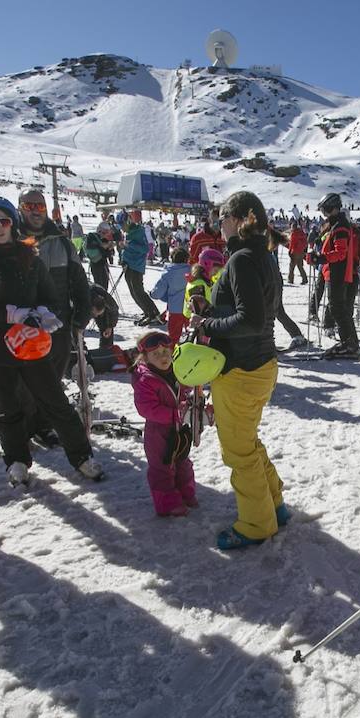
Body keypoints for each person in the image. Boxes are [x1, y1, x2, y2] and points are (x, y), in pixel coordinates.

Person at [0, 196, 103, 486]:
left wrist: (43, 314)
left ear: (12, 223)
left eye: (3, 221)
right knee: (6, 406)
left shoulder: (30, 256)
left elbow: (51, 297)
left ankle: (81, 456)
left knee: (54, 400)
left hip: (32, 342)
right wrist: (9, 315)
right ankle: (16, 459)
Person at [192, 190, 286, 549]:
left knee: (238, 451)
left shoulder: (242, 258)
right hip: (259, 364)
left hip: (242, 369)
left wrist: (206, 324)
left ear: (236, 220)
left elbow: (250, 319)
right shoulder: (261, 255)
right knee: (248, 442)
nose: (219, 225)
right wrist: (213, 311)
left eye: (222, 219)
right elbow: (255, 312)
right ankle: (274, 504)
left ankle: (256, 523)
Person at [19, 189, 92, 377]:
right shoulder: (10, 241)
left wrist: (82, 313)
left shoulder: (63, 244)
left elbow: (79, 282)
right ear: (20, 209)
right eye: (29, 206)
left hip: (59, 324)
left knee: (53, 382)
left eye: (40, 206)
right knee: (25, 387)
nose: (35, 211)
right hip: (21, 327)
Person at [131, 329, 197, 517]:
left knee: (183, 461)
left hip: (180, 429)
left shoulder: (176, 371)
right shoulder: (145, 379)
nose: (163, 357)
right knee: (162, 467)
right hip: (158, 433)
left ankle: (185, 491)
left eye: (166, 353)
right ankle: (167, 502)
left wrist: (189, 399)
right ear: (144, 357)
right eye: (156, 354)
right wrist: (176, 414)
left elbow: (183, 391)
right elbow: (146, 409)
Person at [317, 192, 360, 357]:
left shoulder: (340, 226)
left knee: (337, 308)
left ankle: (348, 343)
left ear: (332, 208)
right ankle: (351, 341)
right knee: (340, 308)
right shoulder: (337, 224)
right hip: (339, 271)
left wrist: (321, 258)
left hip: (338, 272)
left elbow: (340, 253)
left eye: (325, 210)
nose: (324, 214)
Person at [121, 209, 162, 324]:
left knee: (138, 291)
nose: (121, 228)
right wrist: (123, 258)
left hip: (136, 266)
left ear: (128, 222)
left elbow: (144, 249)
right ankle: (147, 311)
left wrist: (129, 245)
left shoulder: (139, 231)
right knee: (133, 292)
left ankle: (153, 313)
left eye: (122, 225)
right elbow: (127, 248)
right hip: (129, 265)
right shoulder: (129, 233)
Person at [151, 247, 192, 343]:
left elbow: (157, 293)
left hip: (175, 311)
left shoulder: (168, 274)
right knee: (192, 335)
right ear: (187, 259)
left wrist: (152, 294)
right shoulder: (193, 272)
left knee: (173, 337)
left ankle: (173, 354)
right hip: (191, 308)